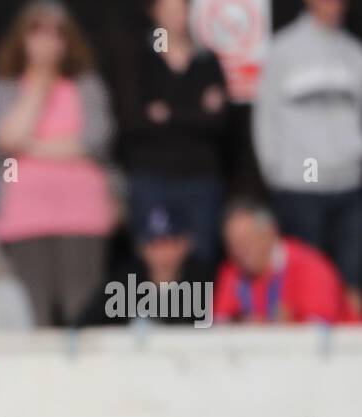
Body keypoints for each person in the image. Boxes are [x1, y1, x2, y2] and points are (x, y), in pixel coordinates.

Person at [0, 0, 117, 327]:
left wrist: (31, 147)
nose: (47, 41)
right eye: (38, 32)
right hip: (23, 215)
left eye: (56, 33)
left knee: (81, 311)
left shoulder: (86, 85)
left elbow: (93, 141)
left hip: (83, 215)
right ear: (22, 40)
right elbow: (4, 138)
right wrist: (40, 85)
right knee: (33, 315)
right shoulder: (6, 87)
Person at [254, 0, 362, 314]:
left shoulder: (353, 53)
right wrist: (274, 170)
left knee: (351, 275)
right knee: (306, 273)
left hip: (349, 182)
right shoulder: (284, 50)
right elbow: (266, 117)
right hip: (301, 182)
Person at [109, 0, 229, 263]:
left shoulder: (207, 59)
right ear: (154, 12)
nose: (176, 16)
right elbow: (133, 122)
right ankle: (158, 307)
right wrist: (196, 110)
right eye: (168, 8)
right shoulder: (139, 57)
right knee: (154, 260)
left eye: (181, 8)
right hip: (151, 179)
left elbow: (218, 123)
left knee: (200, 261)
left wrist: (167, 113)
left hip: (200, 179)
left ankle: (194, 307)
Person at [213, 199, 354, 324]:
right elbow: (221, 321)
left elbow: (321, 324)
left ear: (270, 231)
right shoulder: (232, 271)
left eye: (247, 240)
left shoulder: (310, 266)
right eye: (233, 244)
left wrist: (285, 324)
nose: (240, 250)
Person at [77, 203, 214, 326]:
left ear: (186, 244)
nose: (163, 253)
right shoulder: (124, 283)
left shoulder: (202, 281)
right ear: (141, 248)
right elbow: (87, 323)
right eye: (154, 244)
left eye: (169, 243)